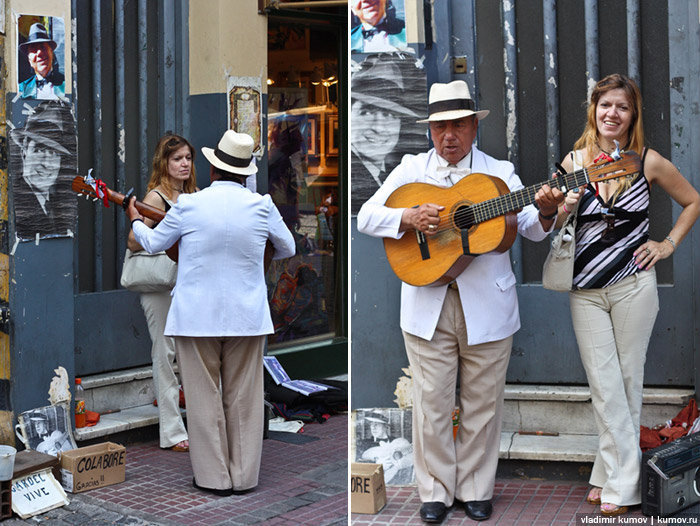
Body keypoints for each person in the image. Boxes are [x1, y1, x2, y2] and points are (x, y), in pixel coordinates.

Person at [357, 80, 564, 523]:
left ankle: (475, 488)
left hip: (487, 305)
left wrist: (547, 209)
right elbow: (366, 215)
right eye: (439, 128)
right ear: (430, 131)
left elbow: (529, 226)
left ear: (473, 127)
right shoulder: (411, 169)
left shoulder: (499, 172)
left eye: (458, 126)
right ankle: (434, 491)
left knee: (483, 403)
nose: (448, 136)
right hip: (426, 302)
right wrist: (407, 216)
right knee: (431, 402)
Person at [554, 73, 700, 517]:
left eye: (621, 106)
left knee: (628, 381)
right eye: (604, 105)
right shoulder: (574, 160)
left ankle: (617, 480)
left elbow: (693, 201)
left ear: (632, 114)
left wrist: (666, 244)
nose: (611, 114)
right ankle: (616, 472)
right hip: (586, 289)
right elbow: (552, 219)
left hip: (635, 285)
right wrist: (561, 204)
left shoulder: (648, 162)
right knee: (605, 384)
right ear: (592, 111)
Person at [127, 130, 295, 496]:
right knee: (244, 400)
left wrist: (135, 218)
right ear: (245, 172)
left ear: (214, 169)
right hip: (247, 316)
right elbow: (287, 247)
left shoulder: (189, 206)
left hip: (196, 316)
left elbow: (153, 243)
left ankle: (213, 478)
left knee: (204, 398)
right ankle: (244, 476)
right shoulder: (262, 205)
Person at [126, 134, 198, 454]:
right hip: (160, 287)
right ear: (164, 164)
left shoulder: (194, 195)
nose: (184, 164)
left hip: (185, 287)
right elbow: (132, 240)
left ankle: (195, 421)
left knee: (190, 354)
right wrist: (166, 235)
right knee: (164, 355)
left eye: (187, 158)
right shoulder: (156, 198)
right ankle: (170, 431)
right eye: (176, 159)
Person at [351, 56, 418, 214]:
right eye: (367, 111)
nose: (379, 128)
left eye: (390, 115)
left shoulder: (397, 173)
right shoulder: (351, 178)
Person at [10, 101, 76, 239]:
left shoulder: (58, 204)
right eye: (39, 149)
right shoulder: (15, 200)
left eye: (54, 153)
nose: (47, 164)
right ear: (24, 152)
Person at [18, 22, 65, 100]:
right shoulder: (21, 89)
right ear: (29, 59)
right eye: (33, 49)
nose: (39, 53)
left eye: (43, 47)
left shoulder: (67, 84)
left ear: (51, 53)